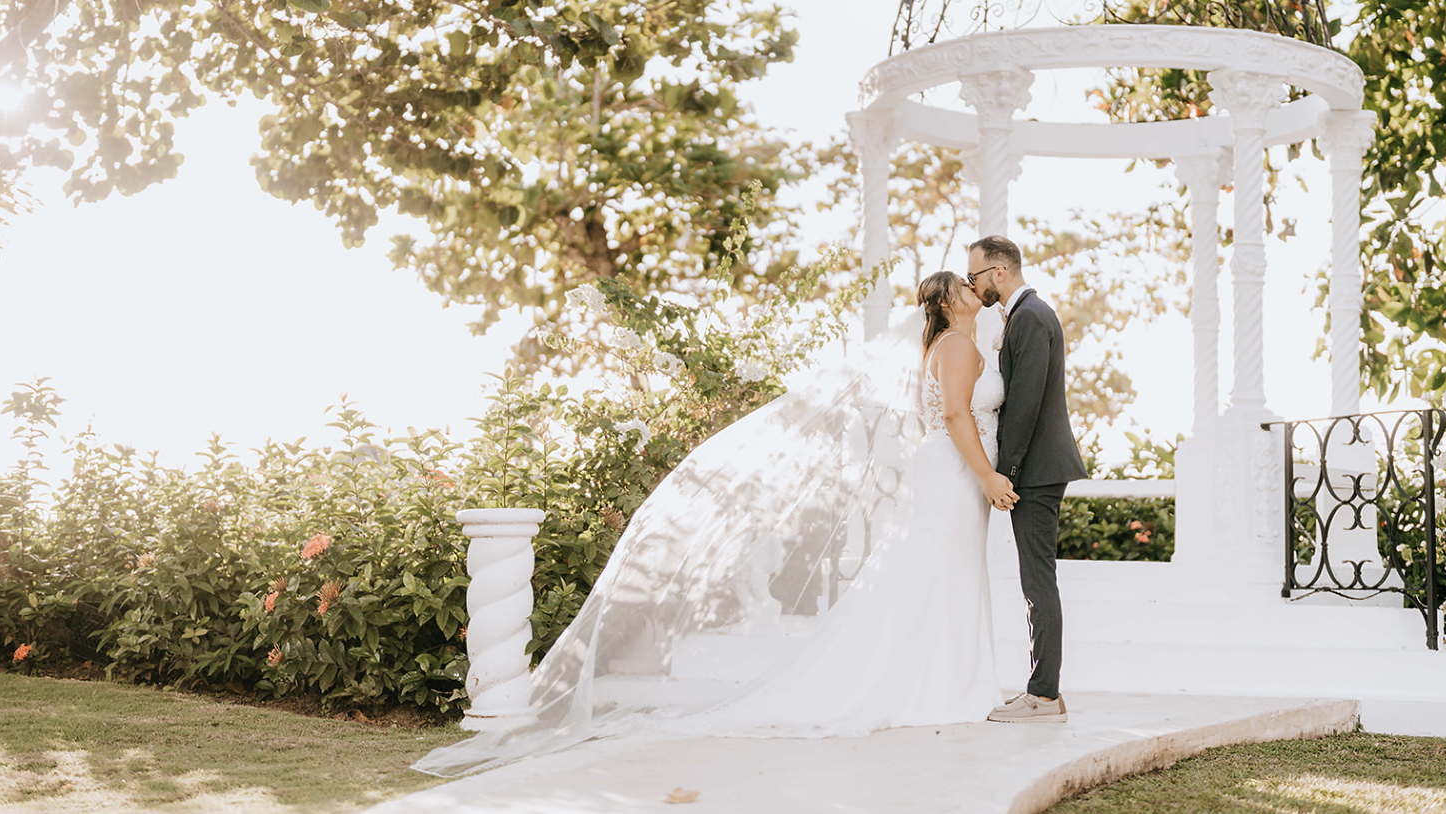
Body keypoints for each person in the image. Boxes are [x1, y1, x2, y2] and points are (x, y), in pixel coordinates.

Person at [414, 269, 1019, 776]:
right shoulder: (959, 347)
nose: (973, 288)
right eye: (963, 286)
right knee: (941, 573)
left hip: (944, 472)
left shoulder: (948, 346)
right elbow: (959, 417)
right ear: (945, 303)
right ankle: (941, 685)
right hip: (957, 472)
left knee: (939, 575)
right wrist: (989, 476)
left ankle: (946, 680)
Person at [967, 235, 1088, 725]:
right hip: (1035, 468)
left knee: (1038, 579)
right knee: (1035, 578)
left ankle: (1042, 695)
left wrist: (1004, 473)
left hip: (1036, 470)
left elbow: (1025, 404)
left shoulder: (1032, 317)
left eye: (975, 276)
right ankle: (1044, 692)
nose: (973, 286)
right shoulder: (1023, 316)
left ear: (999, 272)